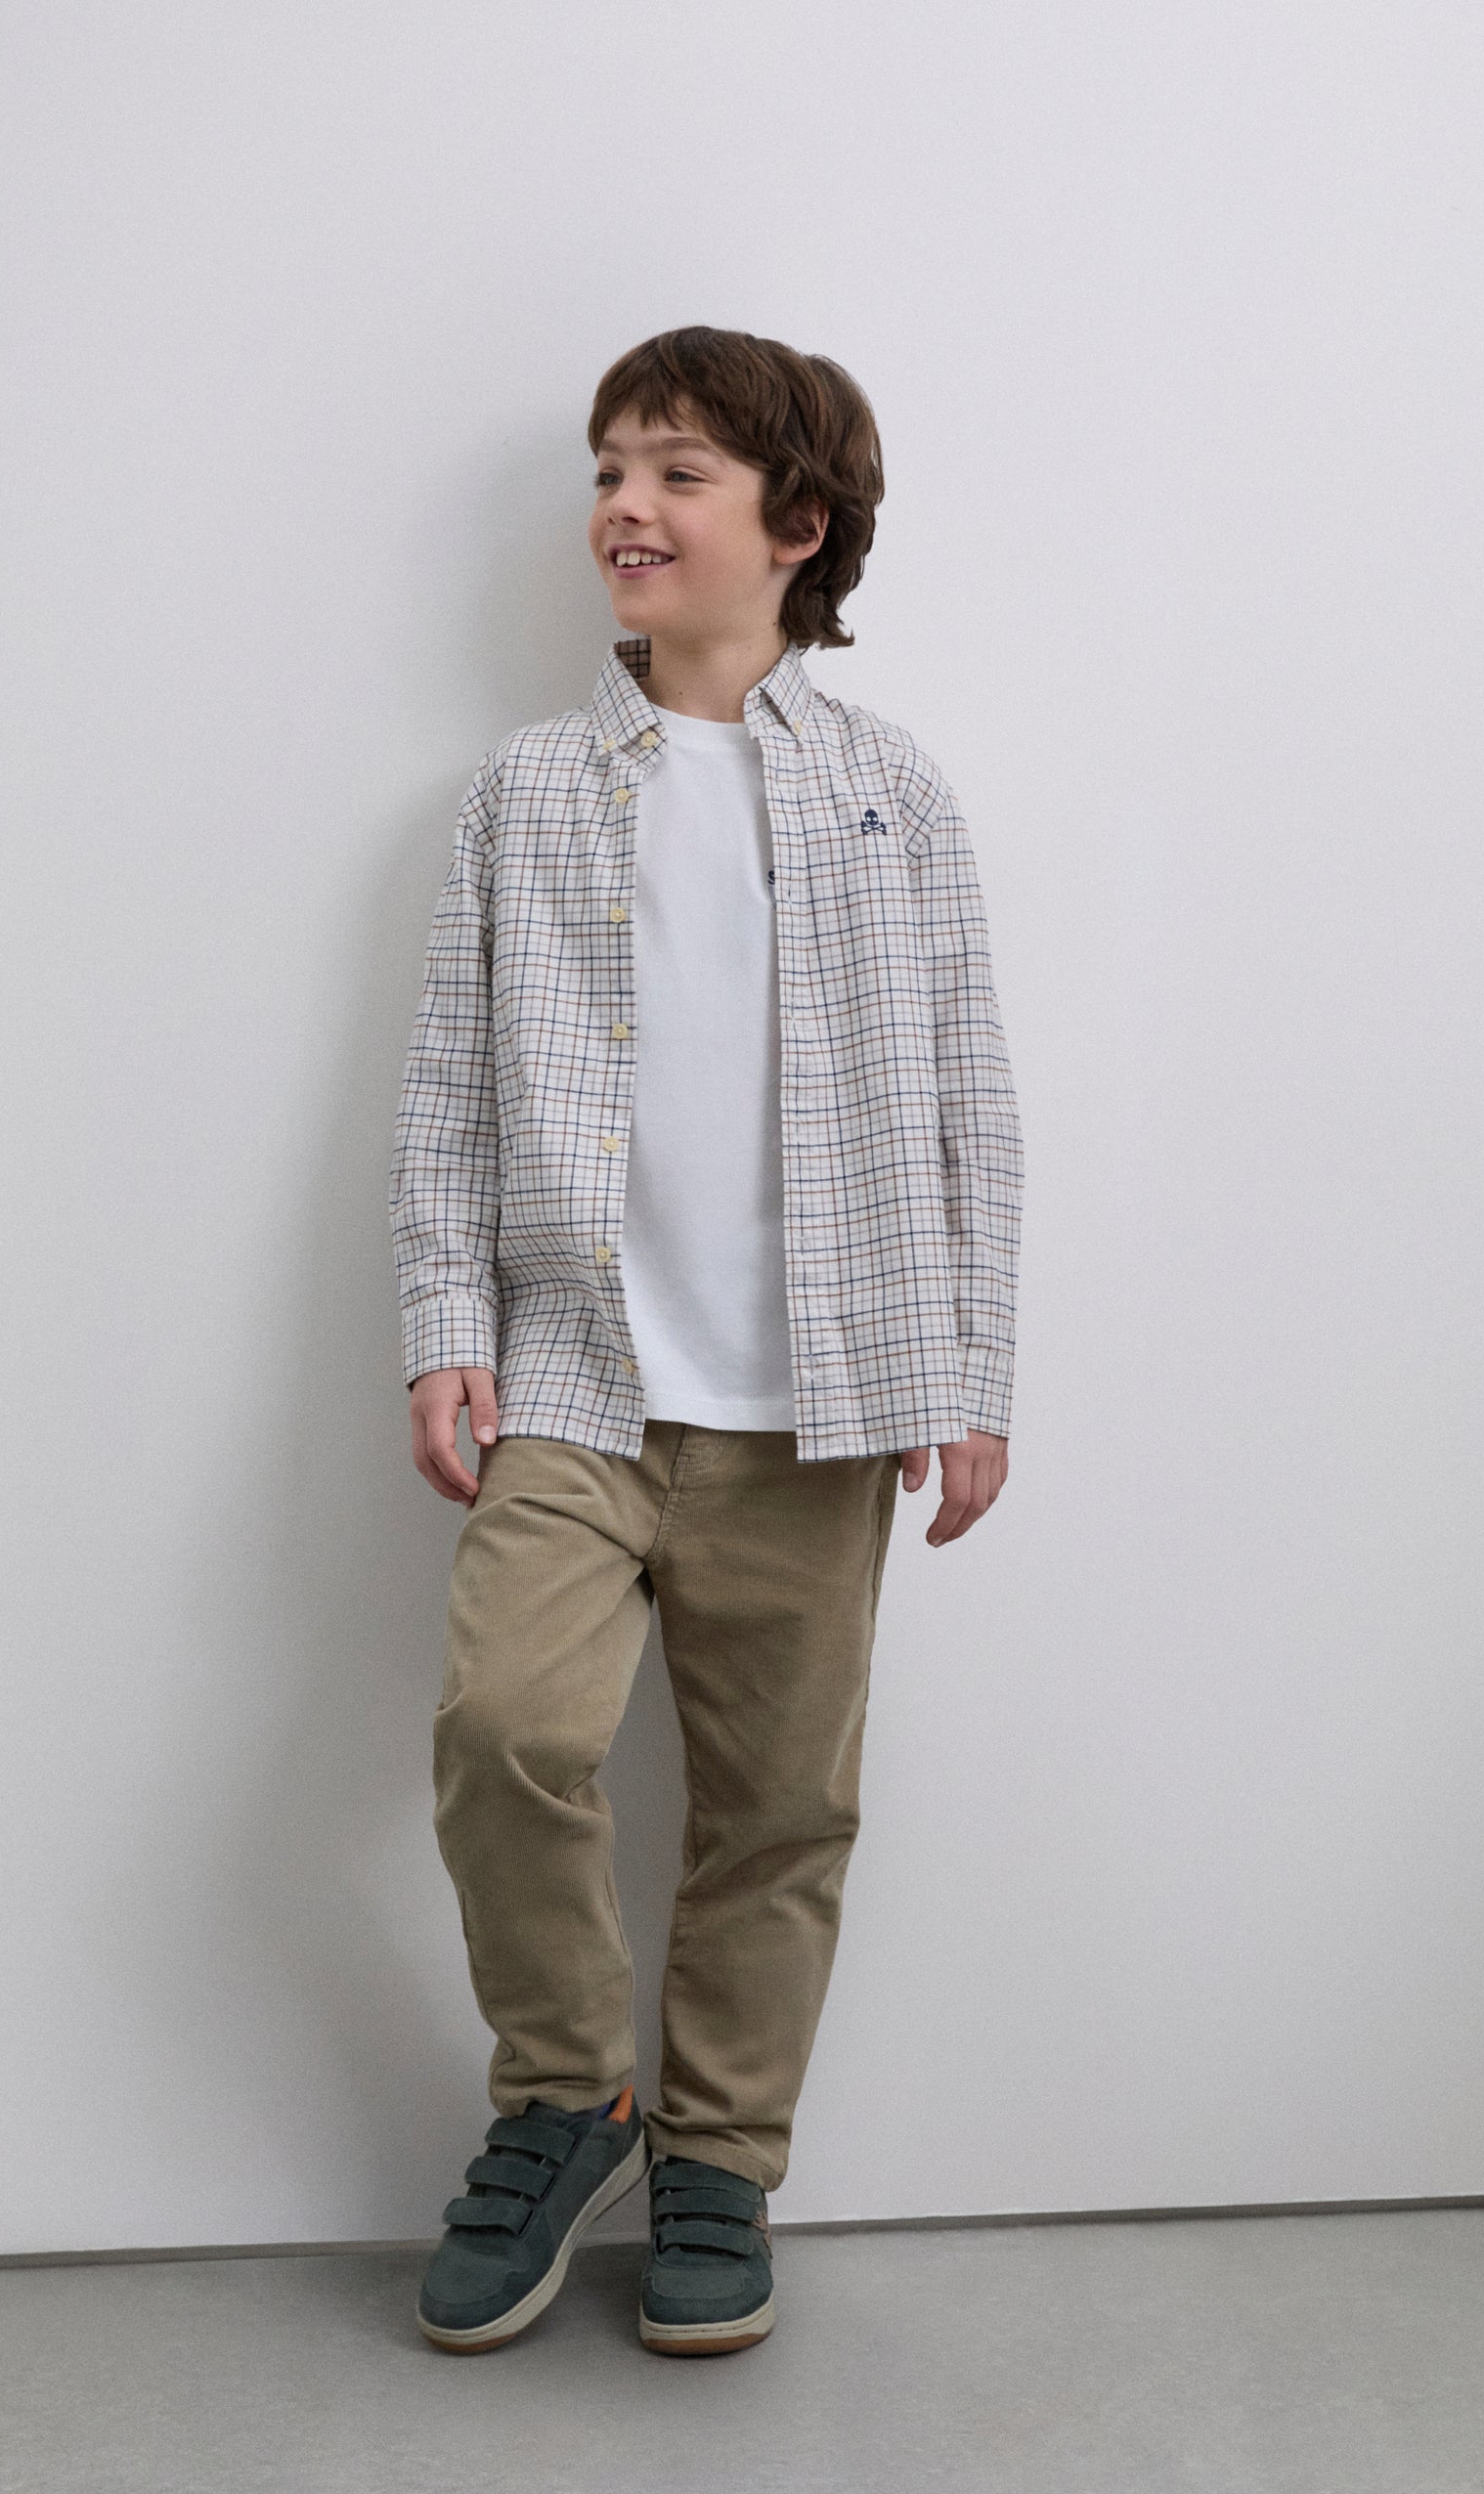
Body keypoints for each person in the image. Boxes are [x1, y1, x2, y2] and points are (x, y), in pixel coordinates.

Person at [388, 325, 1022, 2357]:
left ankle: (721, 2162)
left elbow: (967, 1104)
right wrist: (443, 1324)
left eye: (676, 471)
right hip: (578, 1380)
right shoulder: (525, 792)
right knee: (506, 1732)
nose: (625, 507)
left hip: (820, 1401)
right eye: (608, 469)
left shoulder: (890, 794)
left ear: (795, 524)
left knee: (779, 1811)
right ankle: (566, 2099)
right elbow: (447, 1093)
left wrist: (969, 1377)